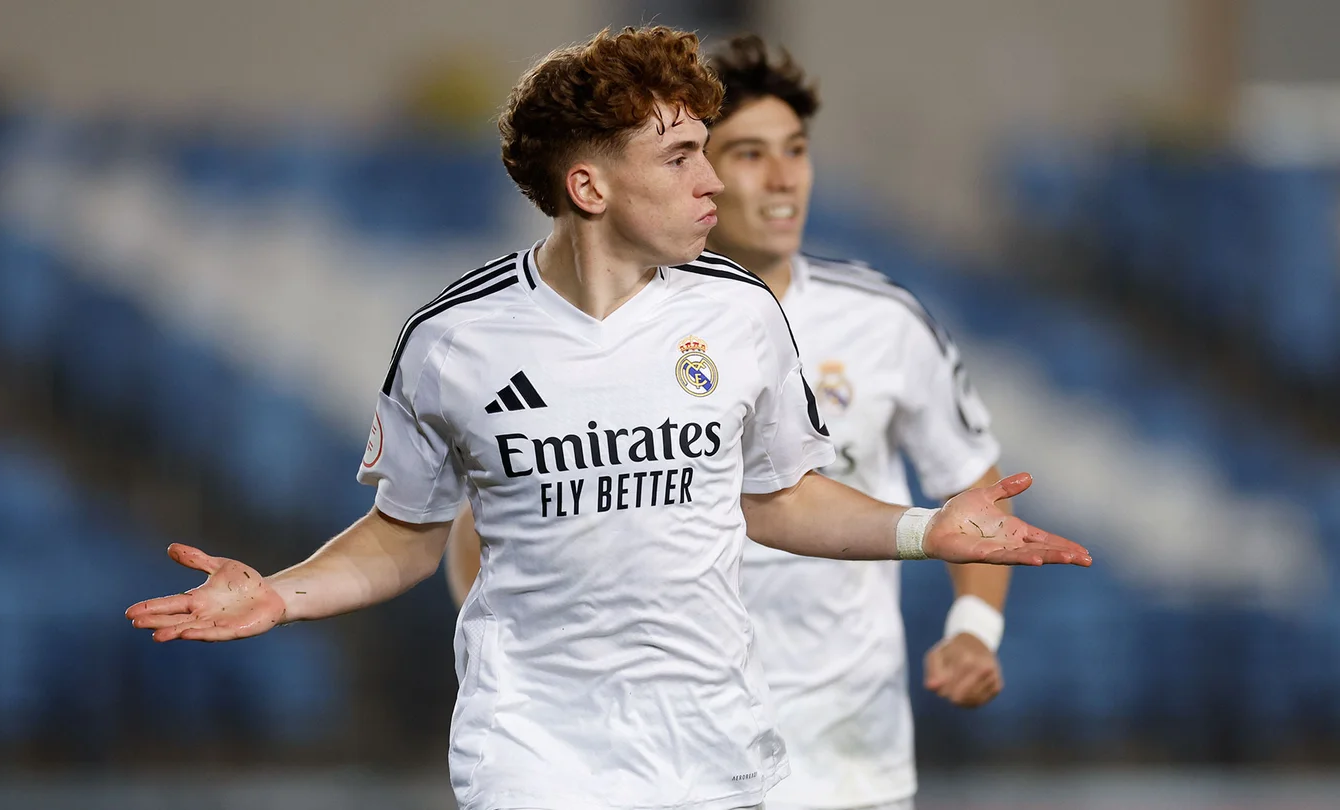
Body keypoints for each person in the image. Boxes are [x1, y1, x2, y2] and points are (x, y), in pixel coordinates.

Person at [127, 26, 1089, 810]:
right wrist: (279, 596)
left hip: (712, 751)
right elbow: (407, 537)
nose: (714, 182)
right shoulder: (452, 340)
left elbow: (780, 499)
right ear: (589, 187)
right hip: (534, 755)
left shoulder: (742, 318)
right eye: (680, 158)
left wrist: (924, 530)